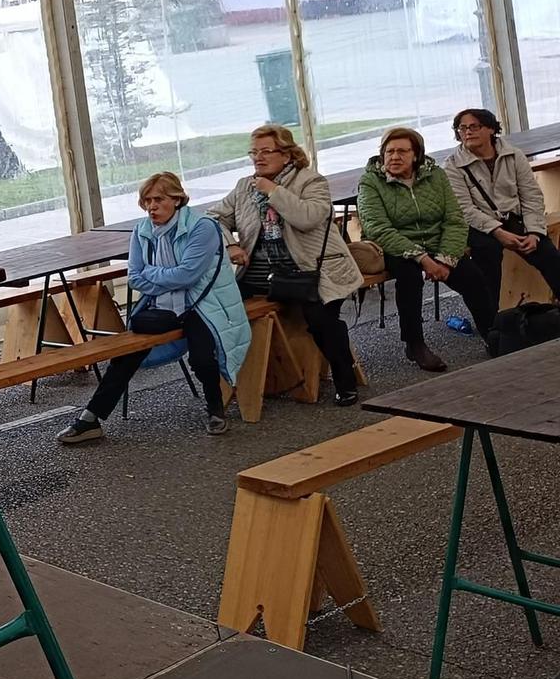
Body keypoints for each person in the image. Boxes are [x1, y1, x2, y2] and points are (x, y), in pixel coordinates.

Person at [58, 173, 250, 445]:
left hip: (203, 304)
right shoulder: (142, 230)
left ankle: (215, 410)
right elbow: (134, 278)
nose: (151, 206)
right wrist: (164, 277)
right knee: (125, 354)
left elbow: (187, 277)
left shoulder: (203, 227)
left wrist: (154, 274)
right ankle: (90, 419)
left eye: (158, 199)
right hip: (160, 306)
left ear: (177, 199)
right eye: (146, 200)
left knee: (202, 358)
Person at [212, 124, 364, 405]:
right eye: (253, 152)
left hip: (312, 271)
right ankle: (233, 384)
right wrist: (230, 244)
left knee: (321, 320)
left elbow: (308, 218)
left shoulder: (311, 181)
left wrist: (274, 191)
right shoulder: (244, 186)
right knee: (218, 310)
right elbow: (214, 218)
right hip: (260, 274)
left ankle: (345, 377)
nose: (258, 158)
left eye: (266, 151)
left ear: (287, 154)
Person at [356, 125, 495, 371]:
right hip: (396, 245)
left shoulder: (436, 176)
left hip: (436, 241)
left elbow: (454, 219)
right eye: (389, 152)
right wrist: (423, 259)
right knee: (409, 278)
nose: (394, 157)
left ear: (416, 155)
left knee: (471, 275)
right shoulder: (370, 182)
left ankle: (491, 333)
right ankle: (415, 343)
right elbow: (378, 229)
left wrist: (445, 259)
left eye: (402, 152)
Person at [444, 106, 560, 303]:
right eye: (462, 129)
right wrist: (497, 231)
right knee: (488, 254)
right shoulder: (453, 164)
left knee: (548, 255)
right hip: (478, 225)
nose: (467, 132)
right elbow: (464, 209)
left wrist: (534, 232)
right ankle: (494, 324)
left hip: (514, 218)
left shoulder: (514, 155)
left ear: (490, 129)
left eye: (474, 126)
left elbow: (531, 196)